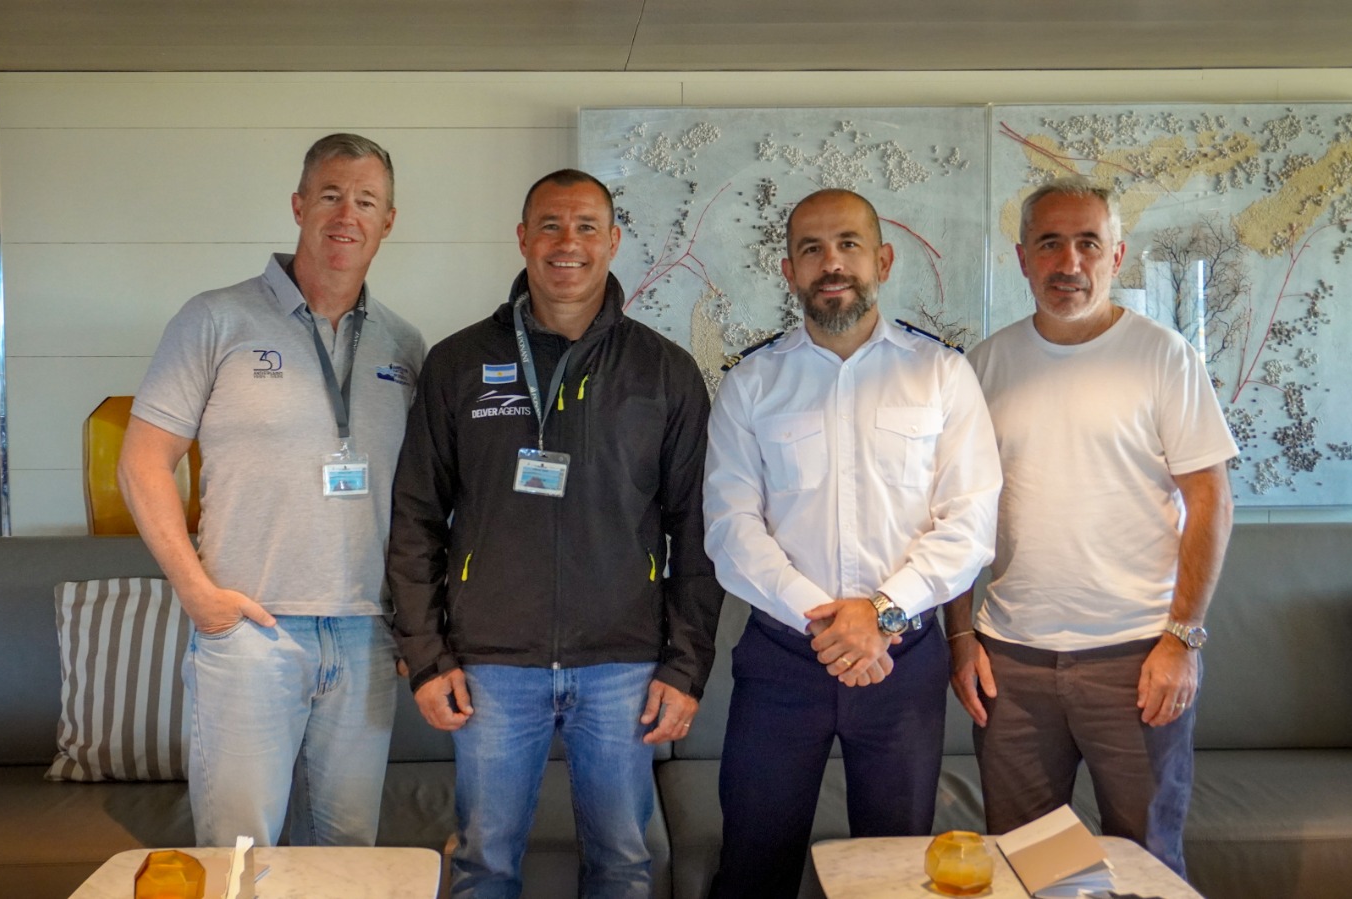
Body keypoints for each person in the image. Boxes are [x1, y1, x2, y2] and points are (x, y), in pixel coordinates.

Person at [388, 169, 722, 899]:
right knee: (483, 863)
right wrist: (426, 655)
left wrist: (685, 666)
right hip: (490, 664)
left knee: (624, 865)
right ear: (522, 238)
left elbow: (698, 532)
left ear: (613, 241)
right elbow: (414, 517)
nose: (567, 242)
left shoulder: (664, 370)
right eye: (549, 225)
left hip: (623, 664)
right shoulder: (458, 363)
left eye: (585, 227)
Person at [118, 133, 426, 847]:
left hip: (366, 634)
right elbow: (142, 462)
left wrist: (416, 621)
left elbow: (423, 500)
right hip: (251, 631)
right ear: (298, 205)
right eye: (330, 195)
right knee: (239, 857)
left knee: (347, 862)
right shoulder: (215, 318)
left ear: (388, 221)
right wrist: (199, 595)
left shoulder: (404, 345)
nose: (346, 214)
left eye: (366, 201)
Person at [703, 188, 1001, 898]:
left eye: (848, 244)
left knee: (894, 872)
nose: (830, 262)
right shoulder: (751, 383)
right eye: (811, 249)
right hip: (781, 662)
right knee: (753, 865)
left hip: (904, 662)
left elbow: (969, 522)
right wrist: (830, 621)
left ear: (883, 261)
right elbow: (730, 528)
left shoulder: (942, 374)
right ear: (789, 271)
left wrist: (881, 614)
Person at [946, 175, 1237, 875]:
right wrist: (960, 637)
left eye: (1088, 243)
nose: (1069, 262)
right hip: (1011, 663)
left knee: (1146, 865)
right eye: (1050, 243)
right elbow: (952, 513)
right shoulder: (983, 366)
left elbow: (1210, 500)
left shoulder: (1165, 357)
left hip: (1137, 659)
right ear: (1023, 258)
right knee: (1026, 866)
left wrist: (1183, 638)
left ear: (1117, 255)